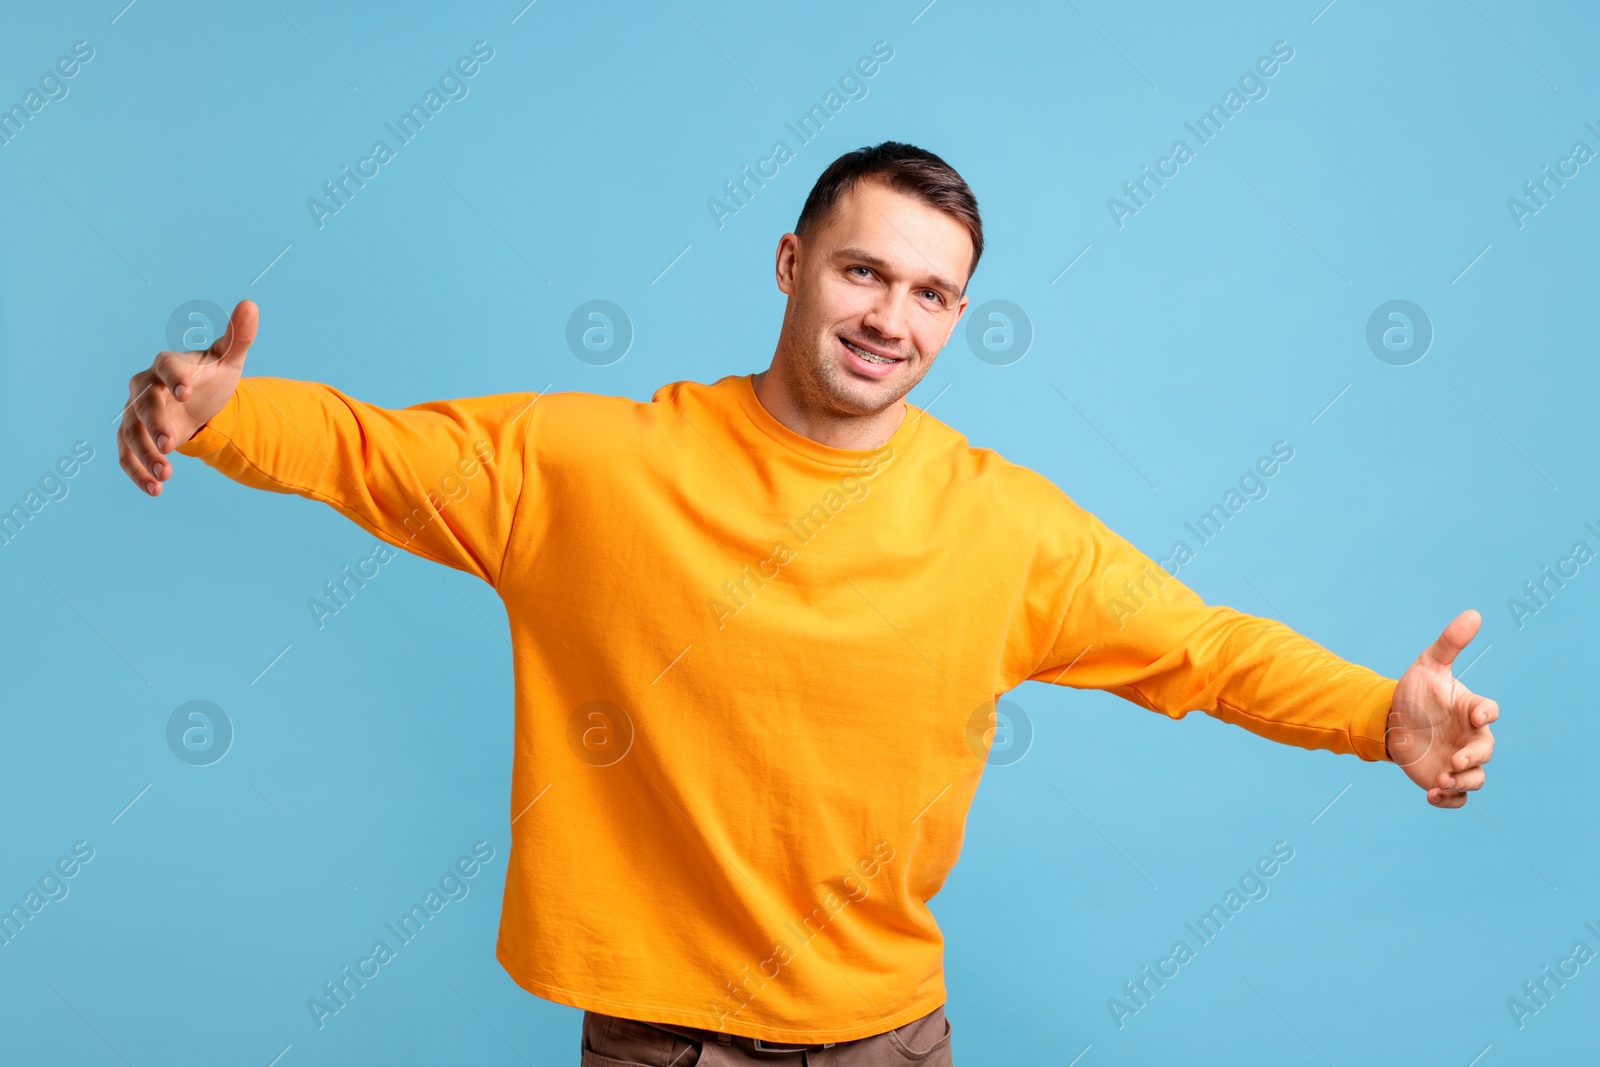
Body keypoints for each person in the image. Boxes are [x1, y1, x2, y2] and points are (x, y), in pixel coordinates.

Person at [116, 142, 1498, 1065]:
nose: (894, 316)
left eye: (933, 294)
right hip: (662, 1039)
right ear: (791, 267)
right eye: (864, 272)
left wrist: (1382, 714)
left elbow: (1205, 648)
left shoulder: (999, 523)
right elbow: (383, 454)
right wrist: (227, 410)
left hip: (891, 1037)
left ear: (958, 318)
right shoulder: (601, 466)